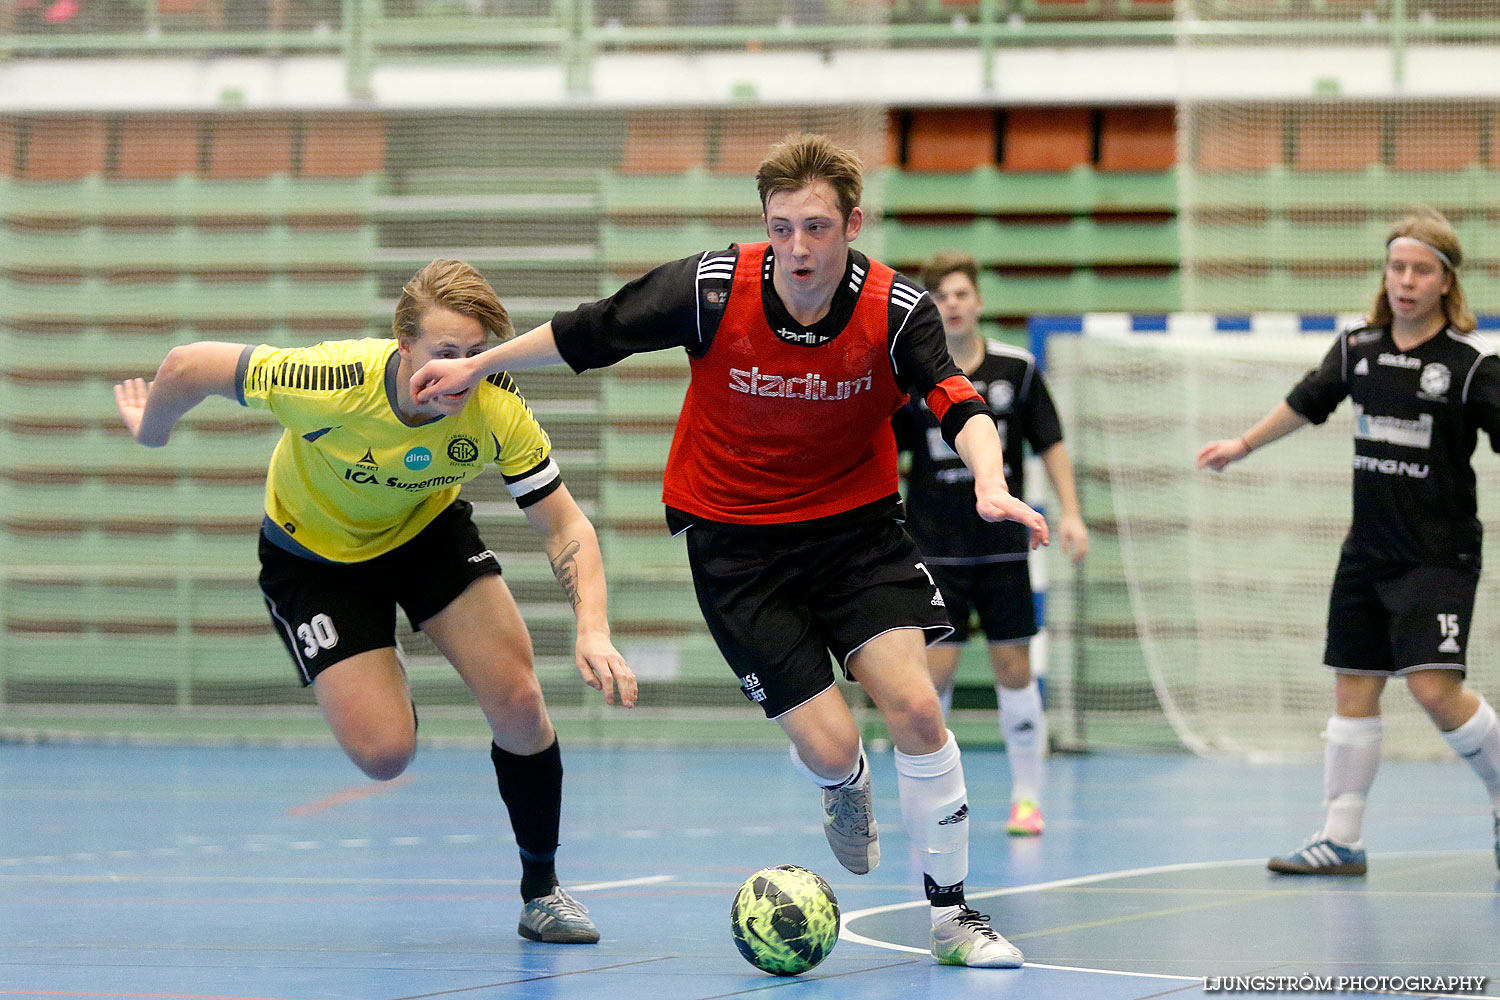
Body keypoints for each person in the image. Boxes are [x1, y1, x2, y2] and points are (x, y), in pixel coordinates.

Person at [410, 133, 1049, 969]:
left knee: (920, 708)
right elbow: (591, 331)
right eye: (781, 228)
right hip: (734, 545)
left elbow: (957, 401)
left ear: (853, 225)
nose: (797, 248)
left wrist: (990, 483)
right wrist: (481, 366)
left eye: (817, 228)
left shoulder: (897, 311)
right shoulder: (711, 288)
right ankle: (842, 782)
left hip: (856, 533)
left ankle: (953, 916)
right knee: (827, 747)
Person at [113, 259, 636, 942]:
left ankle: (542, 890)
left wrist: (592, 629)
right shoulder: (329, 382)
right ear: (404, 348)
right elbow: (186, 366)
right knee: (385, 754)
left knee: (518, 700)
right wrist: (149, 431)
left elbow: (565, 523)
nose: (460, 372)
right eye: (444, 354)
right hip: (316, 561)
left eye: (476, 355)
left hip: (424, 533)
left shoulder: (494, 403)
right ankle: (379, 656)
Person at [1197, 209, 1500, 875]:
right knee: (1353, 689)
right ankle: (1341, 839)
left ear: (1446, 281)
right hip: (1367, 553)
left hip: (1439, 557)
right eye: (1398, 267)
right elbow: (1307, 402)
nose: (1406, 280)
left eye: (1422, 269)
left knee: (1434, 691)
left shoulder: (1473, 365)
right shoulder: (1356, 348)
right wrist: (1241, 445)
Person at [892, 253, 1087, 838]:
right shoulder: (914, 377)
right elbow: (891, 455)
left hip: (1001, 550)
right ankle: (934, 801)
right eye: (941, 296)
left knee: (1014, 670)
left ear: (977, 301)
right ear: (930, 307)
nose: (951, 304)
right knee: (933, 679)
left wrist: (1071, 514)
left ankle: (1027, 799)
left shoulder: (1017, 370)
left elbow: (1050, 444)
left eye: (960, 294)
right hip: (934, 551)